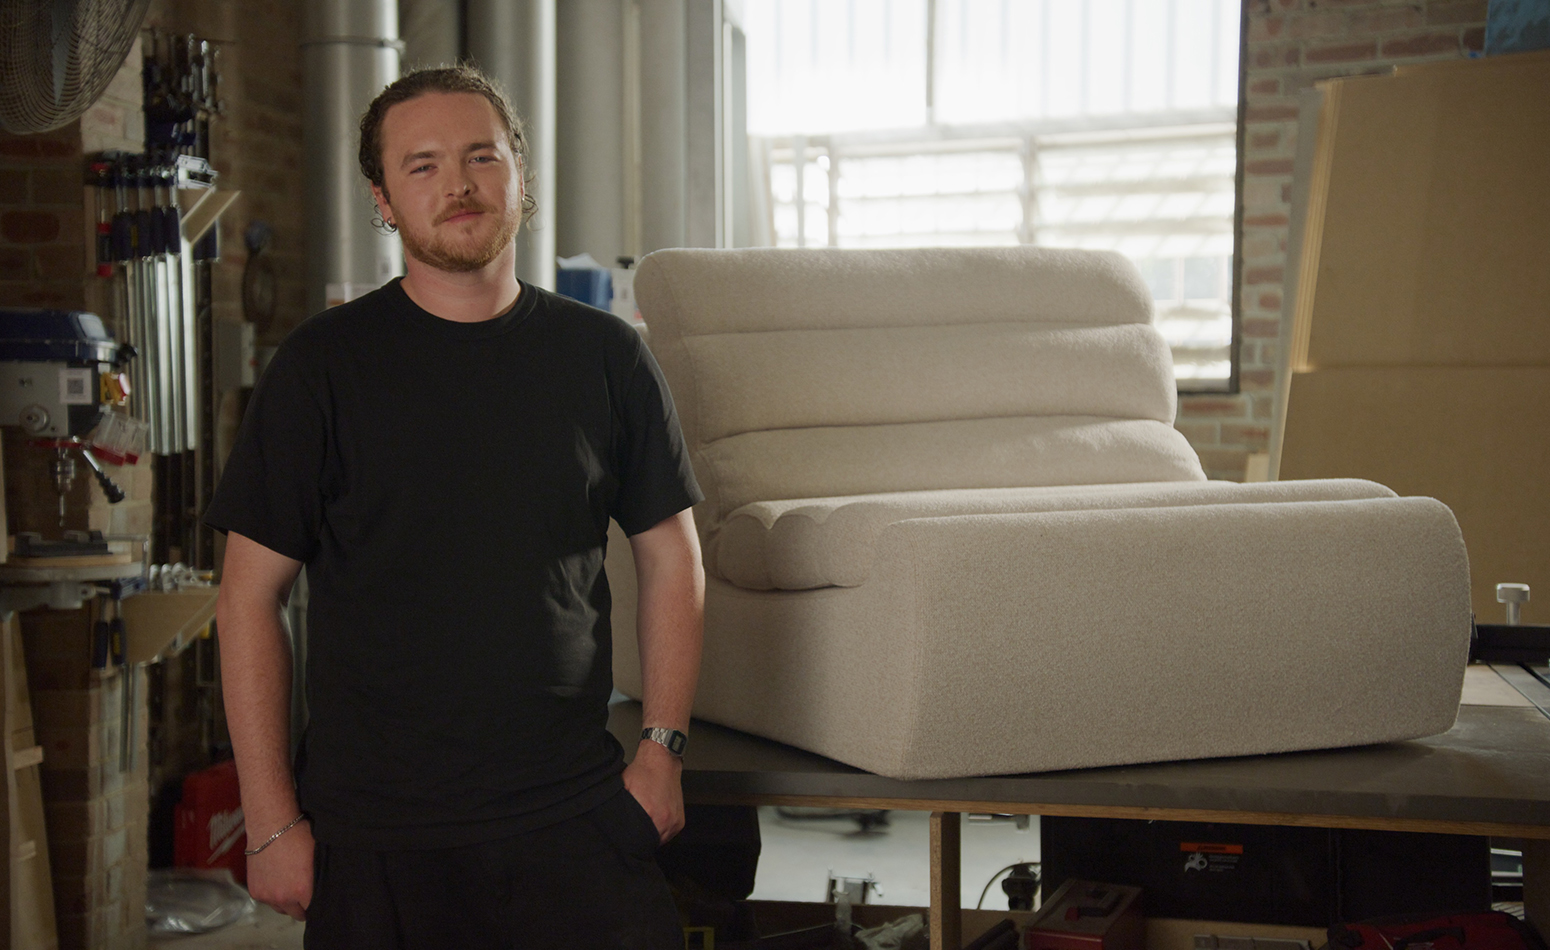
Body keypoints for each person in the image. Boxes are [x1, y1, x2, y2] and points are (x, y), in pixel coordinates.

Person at [206, 65, 704, 949]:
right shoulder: (321, 368)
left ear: (521, 174)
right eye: (423, 164)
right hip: (377, 837)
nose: (460, 184)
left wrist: (661, 750)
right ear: (384, 200)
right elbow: (248, 597)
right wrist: (272, 820)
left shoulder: (606, 358)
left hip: (574, 814)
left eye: (482, 155)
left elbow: (673, 557)